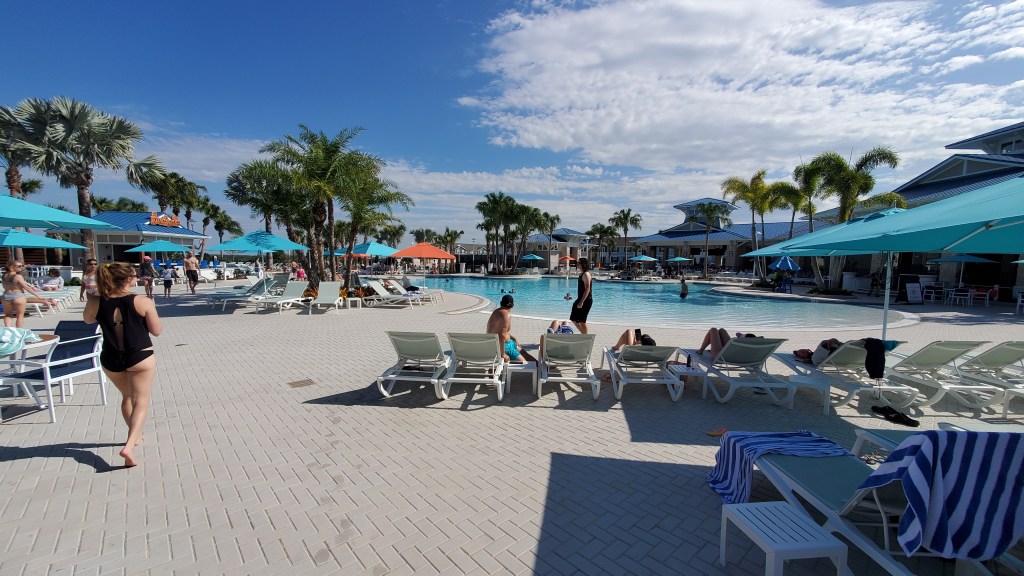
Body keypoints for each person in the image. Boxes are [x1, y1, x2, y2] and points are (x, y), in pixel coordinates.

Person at [84, 262, 163, 467]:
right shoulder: (142, 301)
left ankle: (135, 436)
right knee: (141, 401)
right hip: (140, 355)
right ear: (128, 279)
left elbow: (88, 320)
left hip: (111, 357)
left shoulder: (95, 300)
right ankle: (129, 445)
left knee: (127, 396)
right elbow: (157, 330)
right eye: (134, 275)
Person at [485, 294, 536, 363]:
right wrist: (502, 354)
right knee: (525, 364)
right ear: (512, 305)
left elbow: (502, 332)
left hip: (501, 343)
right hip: (503, 346)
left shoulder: (496, 311)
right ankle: (539, 367)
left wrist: (513, 338)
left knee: (523, 352)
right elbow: (501, 336)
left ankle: (539, 365)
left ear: (501, 303)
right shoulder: (506, 314)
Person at [3, 261, 54, 327]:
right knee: (20, 316)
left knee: (8, 315)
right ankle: (19, 332)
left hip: (6, 296)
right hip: (18, 296)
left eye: (22, 266)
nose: (21, 267)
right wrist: (37, 296)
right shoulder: (18, 276)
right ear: (11, 267)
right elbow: (27, 288)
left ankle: (8, 329)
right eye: (19, 266)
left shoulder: (4, 276)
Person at [570, 257, 593, 334]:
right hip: (581, 298)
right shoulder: (582, 274)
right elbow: (582, 289)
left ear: (583, 264)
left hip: (586, 300)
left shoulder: (586, 274)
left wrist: (581, 302)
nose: (577, 264)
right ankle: (584, 335)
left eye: (579, 263)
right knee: (574, 318)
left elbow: (587, 289)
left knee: (582, 321)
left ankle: (585, 336)